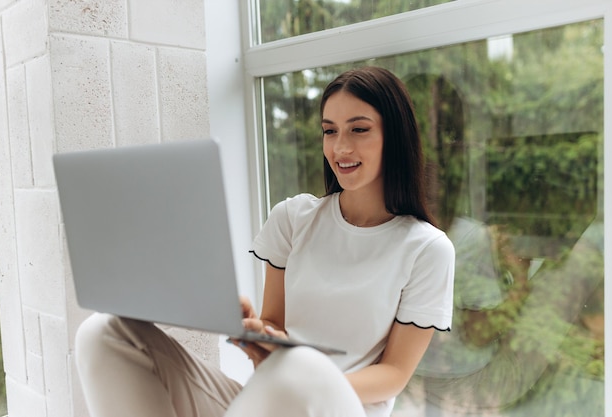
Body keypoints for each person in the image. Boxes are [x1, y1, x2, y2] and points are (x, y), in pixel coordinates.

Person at [74, 66, 455, 417]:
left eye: (358, 129)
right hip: (266, 399)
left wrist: (304, 375)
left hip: (338, 406)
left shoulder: (426, 249)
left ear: (395, 136)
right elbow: (273, 331)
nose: (340, 148)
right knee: (103, 332)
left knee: (301, 365)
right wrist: (260, 339)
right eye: (329, 130)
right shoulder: (292, 218)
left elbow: (393, 374)